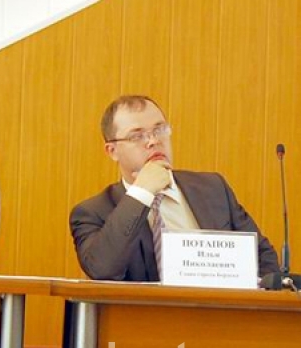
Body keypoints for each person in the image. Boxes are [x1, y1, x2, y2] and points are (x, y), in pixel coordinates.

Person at [70, 95, 279, 281]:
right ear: (112, 151)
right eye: (137, 136)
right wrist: (142, 193)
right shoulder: (93, 212)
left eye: (159, 130)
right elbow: (102, 269)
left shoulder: (213, 189)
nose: (153, 141)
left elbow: (263, 258)